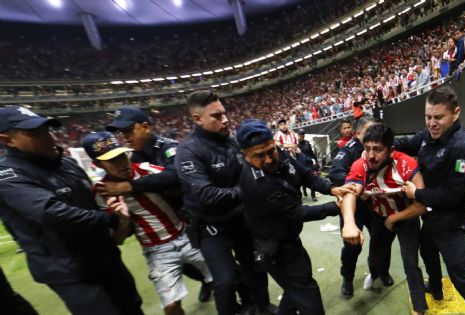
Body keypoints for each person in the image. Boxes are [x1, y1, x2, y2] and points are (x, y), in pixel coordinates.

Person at [0, 106, 143, 315]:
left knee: (133, 308)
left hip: (107, 259)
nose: (47, 138)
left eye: (47, 130)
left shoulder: (67, 163)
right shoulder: (7, 176)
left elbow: (91, 202)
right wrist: (110, 219)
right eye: (34, 134)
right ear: (7, 140)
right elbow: (51, 213)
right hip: (72, 273)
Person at [83, 131, 213, 315]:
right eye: (113, 161)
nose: (122, 163)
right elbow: (118, 240)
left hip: (185, 235)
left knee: (227, 276)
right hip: (157, 251)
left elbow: (178, 177)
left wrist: (173, 192)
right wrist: (123, 219)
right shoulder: (101, 193)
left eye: (122, 155)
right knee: (171, 306)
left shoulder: (147, 170)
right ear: (96, 165)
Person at [236, 119, 356, 315]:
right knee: (307, 292)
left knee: (295, 289)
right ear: (246, 156)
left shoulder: (278, 153)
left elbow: (306, 175)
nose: (268, 159)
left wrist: (332, 188)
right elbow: (296, 212)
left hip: (288, 236)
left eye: (270, 151)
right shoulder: (257, 184)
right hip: (274, 248)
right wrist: (337, 206)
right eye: (259, 156)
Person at [175, 91, 276, 315]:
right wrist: (248, 189)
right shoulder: (188, 151)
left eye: (224, 114)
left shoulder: (231, 142)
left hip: (241, 219)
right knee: (225, 281)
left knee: (257, 267)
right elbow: (207, 195)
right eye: (217, 116)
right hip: (211, 227)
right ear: (197, 119)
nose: (226, 119)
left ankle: (262, 306)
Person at [395, 86, 465, 315]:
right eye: (428, 117)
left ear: (455, 113)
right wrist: (382, 142)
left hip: (449, 223)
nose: (432, 123)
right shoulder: (430, 134)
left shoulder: (462, 147)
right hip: (429, 216)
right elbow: (408, 143)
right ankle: (436, 289)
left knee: (460, 277)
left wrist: (416, 194)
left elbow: (452, 194)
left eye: (438, 117)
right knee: (427, 253)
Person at [341, 124, 428, 315]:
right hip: (379, 217)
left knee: (410, 263)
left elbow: (422, 205)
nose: (371, 155)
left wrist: (394, 218)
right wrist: (349, 222)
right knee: (375, 258)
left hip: (407, 216)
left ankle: (419, 309)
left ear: (391, 151)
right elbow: (348, 194)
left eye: (378, 149)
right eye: (367, 148)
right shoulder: (361, 164)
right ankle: (375, 273)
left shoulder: (405, 164)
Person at [328, 118, 393, 297]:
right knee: (352, 246)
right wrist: (356, 187)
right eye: (370, 131)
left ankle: (382, 272)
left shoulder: (383, 148)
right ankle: (347, 279)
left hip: (377, 205)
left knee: (381, 242)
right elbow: (335, 172)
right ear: (358, 134)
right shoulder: (349, 150)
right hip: (355, 206)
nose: (374, 135)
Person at [297, 129, 319, 202]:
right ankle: (304, 190)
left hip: (310, 163)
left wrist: (315, 161)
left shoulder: (307, 143)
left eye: (303, 134)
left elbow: (311, 153)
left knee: (312, 179)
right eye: (300, 134)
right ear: (298, 135)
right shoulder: (296, 144)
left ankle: (313, 195)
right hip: (302, 164)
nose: (302, 135)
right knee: (303, 180)